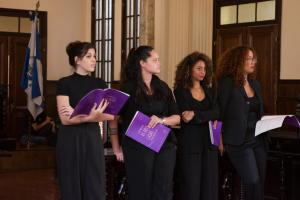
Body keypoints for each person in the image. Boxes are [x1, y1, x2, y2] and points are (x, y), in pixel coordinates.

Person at [109, 45, 180, 200]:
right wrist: (116, 148)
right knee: (141, 190)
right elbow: (112, 118)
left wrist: (162, 120)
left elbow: (177, 117)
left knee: (164, 190)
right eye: (154, 60)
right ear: (142, 63)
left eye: (158, 60)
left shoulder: (163, 87)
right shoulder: (128, 88)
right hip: (137, 147)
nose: (159, 63)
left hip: (164, 144)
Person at [56, 41, 114, 200]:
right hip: (70, 138)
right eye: (89, 56)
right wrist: (92, 116)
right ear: (77, 60)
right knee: (70, 183)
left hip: (92, 136)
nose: (94, 59)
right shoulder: (64, 83)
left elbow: (109, 115)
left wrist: (78, 114)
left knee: (95, 182)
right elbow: (65, 119)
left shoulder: (99, 83)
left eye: (94, 56)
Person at [215, 46, 268, 200]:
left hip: (258, 139)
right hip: (238, 142)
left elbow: (259, 112)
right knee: (252, 180)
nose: (253, 62)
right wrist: (219, 139)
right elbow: (219, 113)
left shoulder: (255, 84)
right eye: (249, 59)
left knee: (259, 184)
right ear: (238, 61)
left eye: (254, 59)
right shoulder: (227, 83)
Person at [173, 52, 220, 200]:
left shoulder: (210, 91)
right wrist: (206, 115)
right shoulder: (180, 91)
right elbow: (186, 118)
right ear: (189, 70)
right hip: (189, 145)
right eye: (199, 68)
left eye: (205, 69)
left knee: (210, 188)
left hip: (210, 144)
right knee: (191, 188)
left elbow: (217, 113)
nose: (203, 72)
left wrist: (196, 114)